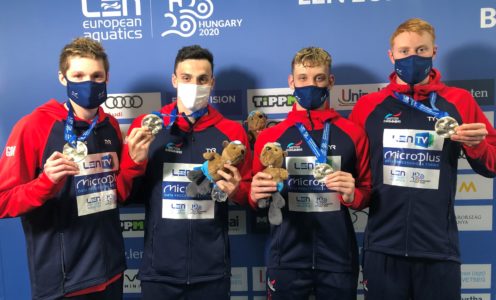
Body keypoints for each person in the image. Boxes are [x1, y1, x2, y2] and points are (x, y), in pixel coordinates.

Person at [349, 18, 496, 300]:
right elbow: (357, 174)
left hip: (438, 248)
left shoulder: (459, 101)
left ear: (433, 52)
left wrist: (477, 147)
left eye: (421, 49)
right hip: (382, 247)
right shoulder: (369, 106)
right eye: (404, 51)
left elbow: (492, 164)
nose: (412, 57)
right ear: (391, 56)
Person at [0, 37, 153, 299]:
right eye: (79, 75)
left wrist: (133, 165)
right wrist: (45, 182)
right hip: (63, 281)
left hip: (111, 272)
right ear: (63, 78)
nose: (89, 84)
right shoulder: (34, 126)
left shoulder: (110, 126)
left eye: (97, 76)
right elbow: (3, 201)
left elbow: (117, 194)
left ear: (107, 77)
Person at [123, 45, 252, 300]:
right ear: (174, 80)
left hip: (212, 271)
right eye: (186, 78)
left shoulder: (233, 133)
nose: (195, 85)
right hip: (159, 271)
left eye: (202, 79)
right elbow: (126, 195)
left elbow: (249, 196)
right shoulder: (147, 127)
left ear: (212, 82)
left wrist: (237, 191)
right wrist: (134, 163)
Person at [250, 47, 372, 300]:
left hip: (338, 257)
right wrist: (255, 195)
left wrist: (353, 196)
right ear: (291, 82)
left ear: (330, 81)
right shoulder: (271, 136)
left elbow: (367, 191)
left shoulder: (352, 133)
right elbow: (254, 196)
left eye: (319, 78)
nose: (310, 85)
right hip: (286, 256)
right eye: (303, 78)